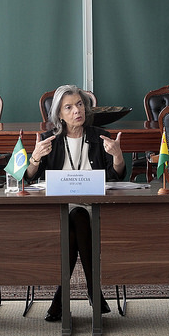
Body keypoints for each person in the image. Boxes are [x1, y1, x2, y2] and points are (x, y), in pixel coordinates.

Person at [25, 84, 126, 322]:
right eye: (68, 107)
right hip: (59, 208)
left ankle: (60, 300)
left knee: (78, 218)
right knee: (77, 218)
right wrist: (35, 157)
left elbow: (117, 176)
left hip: (95, 206)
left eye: (79, 104)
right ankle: (94, 291)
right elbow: (28, 178)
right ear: (59, 114)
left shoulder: (100, 136)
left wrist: (118, 156)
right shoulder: (49, 139)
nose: (77, 111)